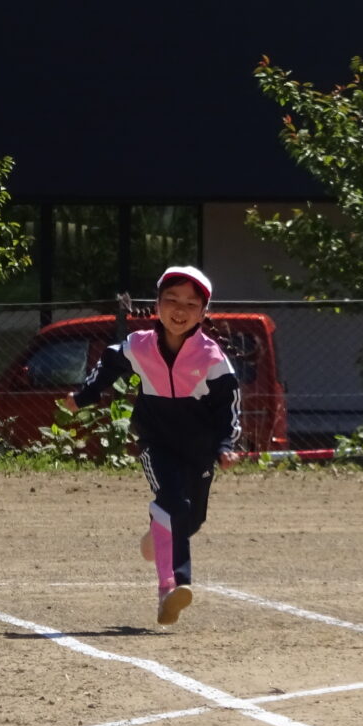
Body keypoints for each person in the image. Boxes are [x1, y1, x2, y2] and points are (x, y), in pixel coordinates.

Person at [73, 265, 240, 626]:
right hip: (156, 439)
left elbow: (227, 405)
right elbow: (108, 365)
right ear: (157, 304)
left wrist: (226, 443)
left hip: (200, 447)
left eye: (191, 304)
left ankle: (157, 532)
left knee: (191, 519)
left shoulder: (212, 358)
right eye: (171, 300)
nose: (179, 310)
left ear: (204, 312)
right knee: (174, 503)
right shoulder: (138, 345)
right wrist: (84, 395)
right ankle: (172, 586)